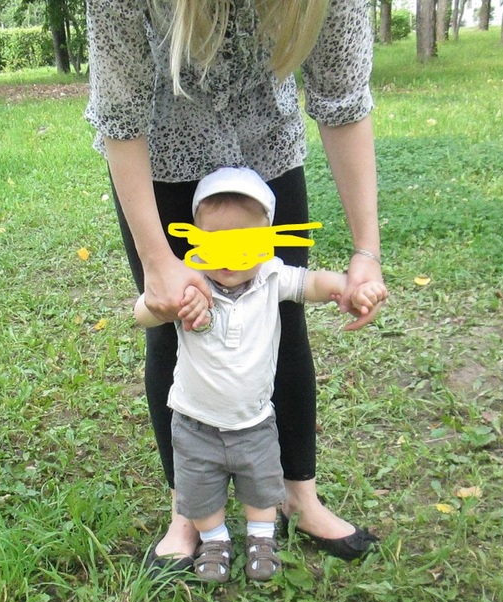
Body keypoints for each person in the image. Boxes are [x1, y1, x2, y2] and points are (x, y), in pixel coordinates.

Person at [85, 0, 386, 572]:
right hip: (163, 161)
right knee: (175, 322)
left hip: (268, 158)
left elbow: (344, 98)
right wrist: (157, 261)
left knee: (282, 320)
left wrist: (365, 251)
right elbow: (119, 113)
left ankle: (299, 496)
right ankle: (187, 511)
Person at [134, 168, 387, 582]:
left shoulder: (271, 276)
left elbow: (315, 283)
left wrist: (350, 287)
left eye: (245, 245)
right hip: (194, 422)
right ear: (196, 238)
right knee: (199, 490)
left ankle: (262, 538)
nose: (230, 258)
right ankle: (213, 539)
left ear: (267, 241)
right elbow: (143, 313)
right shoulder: (188, 283)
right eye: (216, 244)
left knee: (261, 484)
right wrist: (162, 304)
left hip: (254, 421)